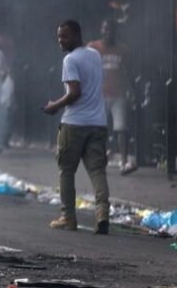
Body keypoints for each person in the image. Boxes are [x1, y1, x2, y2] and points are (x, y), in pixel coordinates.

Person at [43, 20, 110, 234]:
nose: (60, 41)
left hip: (74, 124)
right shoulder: (95, 55)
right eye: (58, 36)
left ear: (77, 35)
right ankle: (102, 214)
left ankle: (68, 217)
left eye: (64, 36)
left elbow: (74, 92)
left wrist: (54, 106)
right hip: (98, 122)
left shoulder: (70, 60)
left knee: (66, 170)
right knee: (97, 171)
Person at [88, 19, 134, 175]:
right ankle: (103, 155)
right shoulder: (93, 48)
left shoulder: (123, 49)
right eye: (106, 29)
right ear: (101, 30)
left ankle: (123, 161)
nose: (108, 32)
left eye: (111, 29)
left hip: (119, 94)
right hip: (100, 94)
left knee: (121, 128)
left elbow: (128, 71)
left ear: (115, 32)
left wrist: (131, 90)